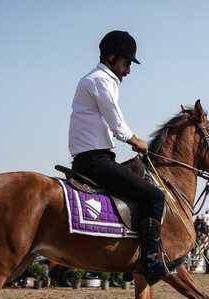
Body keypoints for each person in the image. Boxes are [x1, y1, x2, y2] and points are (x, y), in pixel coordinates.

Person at [68, 30, 183, 285]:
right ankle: (150, 263)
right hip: (95, 161)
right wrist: (136, 140)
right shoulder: (100, 80)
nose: (128, 70)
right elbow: (116, 123)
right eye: (127, 62)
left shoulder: (99, 80)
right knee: (155, 195)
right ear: (111, 57)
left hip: (93, 157)